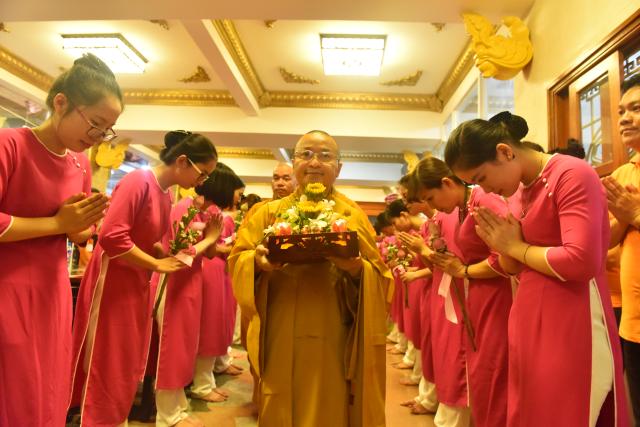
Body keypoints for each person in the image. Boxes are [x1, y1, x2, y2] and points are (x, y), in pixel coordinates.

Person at [445, 112, 628, 426]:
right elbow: (511, 267)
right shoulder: (518, 190)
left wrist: (514, 247)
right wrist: (502, 246)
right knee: (532, 411)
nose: (484, 190)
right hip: (527, 315)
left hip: (573, 318)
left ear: (505, 151)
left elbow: (581, 261)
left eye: (481, 178)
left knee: (566, 411)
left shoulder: (571, 174)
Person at [229, 130, 392, 426]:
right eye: (305, 154)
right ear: (293, 163)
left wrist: (356, 268)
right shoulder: (268, 213)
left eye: (325, 156)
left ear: (338, 168)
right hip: (278, 324)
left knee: (329, 399)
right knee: (278, 395)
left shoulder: (351, 215)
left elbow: (381, 278)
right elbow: (238, 259)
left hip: (333, 327)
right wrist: (257, 262)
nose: (314, 162)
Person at [70, 130, 218, 426]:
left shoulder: (165, 194)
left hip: (135, 282)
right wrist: (156, 263)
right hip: (113, 281)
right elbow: (112, 236)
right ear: (182, 161)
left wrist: (161, 254)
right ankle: (96, 418)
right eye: (202, 173)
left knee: (125, 360)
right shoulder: (139, 181)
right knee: (106, 356)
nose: (202, 182)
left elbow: (149, 240)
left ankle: (113, 418)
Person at [0, 53, 117, 426]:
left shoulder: (79, 165)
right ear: (61, 102)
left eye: (107, 130)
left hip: (52, 290)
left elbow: (76, 232)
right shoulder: (10, 144)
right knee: (13, 385)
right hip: (8, 288)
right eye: (95, 124)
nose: (98, 137)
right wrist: (56, 223)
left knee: (47, 381)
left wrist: (82, 226)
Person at [405, 156, 514, 427]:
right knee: (482, 371)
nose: (431, 207)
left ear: (447, 183)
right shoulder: (464, 205)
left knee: (494, 370)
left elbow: (507, 256)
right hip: (478, 291)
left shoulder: (484, 201)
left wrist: (463, 270)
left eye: (430, 198)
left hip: (495, 294)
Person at [152, 175, 226, 427]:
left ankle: (177, 406)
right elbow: (178, 256)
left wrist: (212, 235)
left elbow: (210, 252)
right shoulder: (183, 209)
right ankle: (167, 415)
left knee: (185, 346)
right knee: (172, 347)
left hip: (190, 284)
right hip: (174, 284)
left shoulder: (202, 212)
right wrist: (210, 238)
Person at [602, 72, 640, 425]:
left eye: (636, 109)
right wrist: (625, 218)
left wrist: (634, 214)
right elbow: (609, 240)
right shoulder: (624, 174)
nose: (625, 118)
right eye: (621, 111)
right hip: (632, 320)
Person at [192, 163, 246, 404]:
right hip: (209, 269)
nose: (238, 198)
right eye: (237, 192)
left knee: (218, 322)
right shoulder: (206, 210)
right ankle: (202, 383)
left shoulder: (211, 210)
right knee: (210, 325)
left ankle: (208, 377)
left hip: (215, 269)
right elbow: (210, 247)